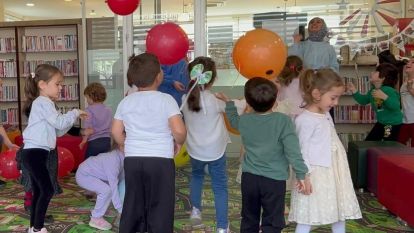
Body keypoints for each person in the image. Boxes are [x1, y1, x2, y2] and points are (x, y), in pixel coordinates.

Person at [217, 77, 308, 233]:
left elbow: (233, 121)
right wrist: (301, 174)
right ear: (274, 102)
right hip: (274, 181)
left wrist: (229, 103)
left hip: (250, 179)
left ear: (249, 103)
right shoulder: (283, 121)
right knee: (273, 220)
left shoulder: (245, 120)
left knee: (249, 218)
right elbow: (293, 151)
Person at [112, 53, 186, 233]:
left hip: (133, 159)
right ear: (159, 76)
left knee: (133, 203)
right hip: (160, 160)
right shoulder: (166, 100)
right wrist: (178, 143)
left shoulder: (126, 101)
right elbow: (179, 131)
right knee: (160, 205)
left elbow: (115, 131)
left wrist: (123, 144)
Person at [289, 69, 362, 233]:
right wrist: (304, 177)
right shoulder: (305, 120)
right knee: (308, 213)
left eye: (338, 98)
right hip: (315, 174)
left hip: (334, 170)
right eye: (333, 97)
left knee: (338, 210)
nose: (336, 103)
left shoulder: (326, 114)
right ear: (316, 94)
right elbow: (301, 151)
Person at [20, 64, 87, 233]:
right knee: (47, 189)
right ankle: (37, 228)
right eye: (57, 84)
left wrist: (71, 118)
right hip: (35, 153)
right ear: (42, 85)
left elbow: (58, 129)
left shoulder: (43, 103)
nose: (61, 87)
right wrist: (75, 113)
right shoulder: (43, 102)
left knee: (38, 190)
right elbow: (59, 122)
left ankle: (33, 228)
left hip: (36, 153)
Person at [180, 57, 229, 232]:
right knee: (220, 186)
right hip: (216, 149)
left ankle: (195, 211)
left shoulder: (185, 98)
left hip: (194, 149)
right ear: (213, 78)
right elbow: (234, 110)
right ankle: (222, 227)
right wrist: (228, 100)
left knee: (197, 176)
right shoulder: (215, 100)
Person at [347, 63, 403, 141]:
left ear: (382, 78)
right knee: (369, 142)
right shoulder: (373, 90)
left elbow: (395, 106)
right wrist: (354, 90)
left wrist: (384, 97)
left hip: (390, 125)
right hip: (381, 122)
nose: (371, 73)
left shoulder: (389, 90)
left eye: (376, 72)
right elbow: (363, 101)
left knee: (387, 145)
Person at [75, 146, 124, 231]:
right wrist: (120, 209)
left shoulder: (123, 157)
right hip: (84, 175)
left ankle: (102, 210)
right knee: (106, 190)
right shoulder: (113, 159)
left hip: (97, 176)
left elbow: (121, 181)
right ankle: (96, 218)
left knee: (108, 189)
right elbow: (114, 186)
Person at [79, 82, 112, 158]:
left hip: (94, 142)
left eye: (87, 98)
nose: (87, 100)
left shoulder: (88, 110)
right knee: (104, 163)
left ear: (91, 98)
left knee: (89, 164)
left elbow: (88, 128)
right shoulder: (108, 110)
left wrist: (84, 141)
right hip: (107, 141)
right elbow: (111, 126)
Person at [398, 57, 414, 147]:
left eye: (413, 62)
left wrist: (410, 89)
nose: (409, 63)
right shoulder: (404, 83)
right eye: (408, 61)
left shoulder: (408, 85)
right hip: (404, 120)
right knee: (399, 146)